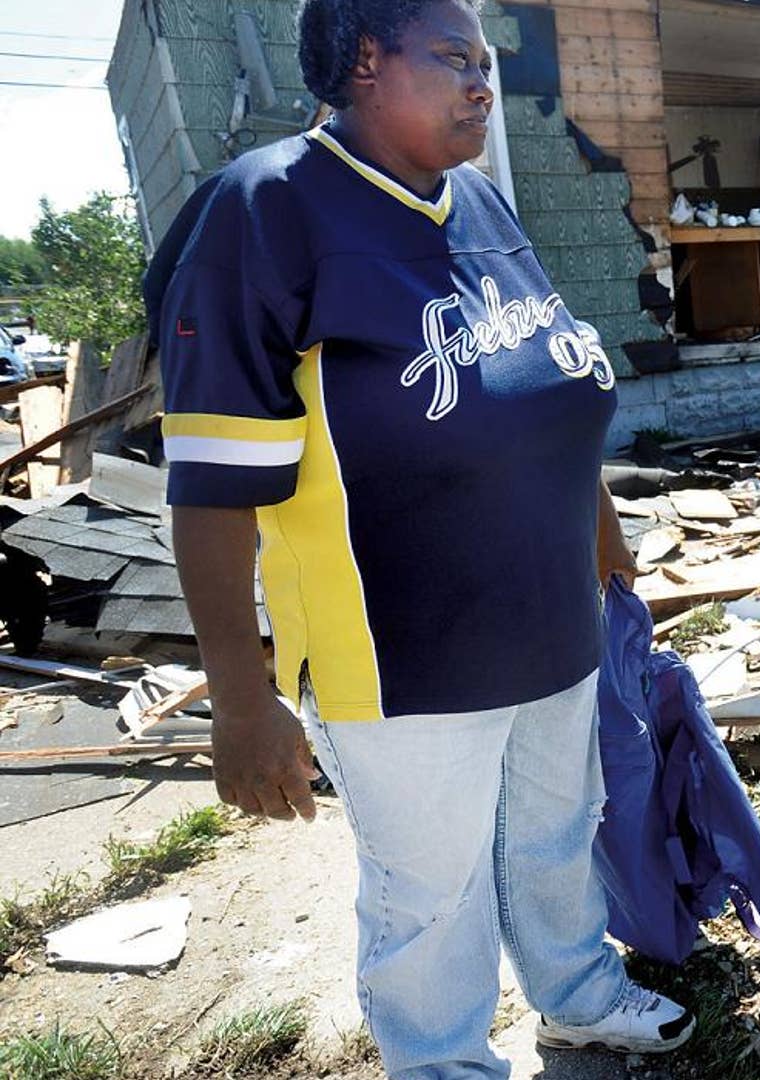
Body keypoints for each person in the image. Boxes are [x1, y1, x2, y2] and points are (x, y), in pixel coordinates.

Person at [150, 0, 694, 1075]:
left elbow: (543, 372)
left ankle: (577, 993)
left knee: (553, 835)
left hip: (548, 620)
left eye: (485, 64)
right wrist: (240, 697)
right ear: (365, 60)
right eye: (455, 59)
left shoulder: (481, 199)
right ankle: (442, 1062)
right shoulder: (268, 211)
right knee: (430, 893)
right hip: (399, 649)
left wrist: (598, 517)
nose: (481, 85)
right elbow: (211, 485)